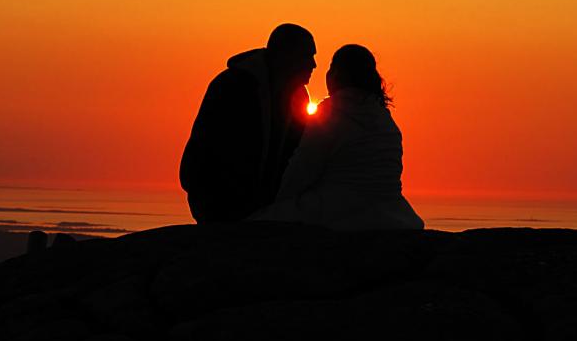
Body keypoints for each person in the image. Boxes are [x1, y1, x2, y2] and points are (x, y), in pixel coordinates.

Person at [251, 44, 424, 231]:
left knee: (258, 222)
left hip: (339, 207)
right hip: (391, 211)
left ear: (338, 75)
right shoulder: (384, 118)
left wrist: (279, 202)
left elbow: (302, 169)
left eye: (331, 67)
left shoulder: (330, 114)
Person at [180, 24, 317, 223]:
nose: (313, 65)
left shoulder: (299, 97)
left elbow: (295, 157)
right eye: (307, 56)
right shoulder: (233, 86)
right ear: (286, 56)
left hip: (263, 208)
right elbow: (206, 149)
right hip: (220, 203)